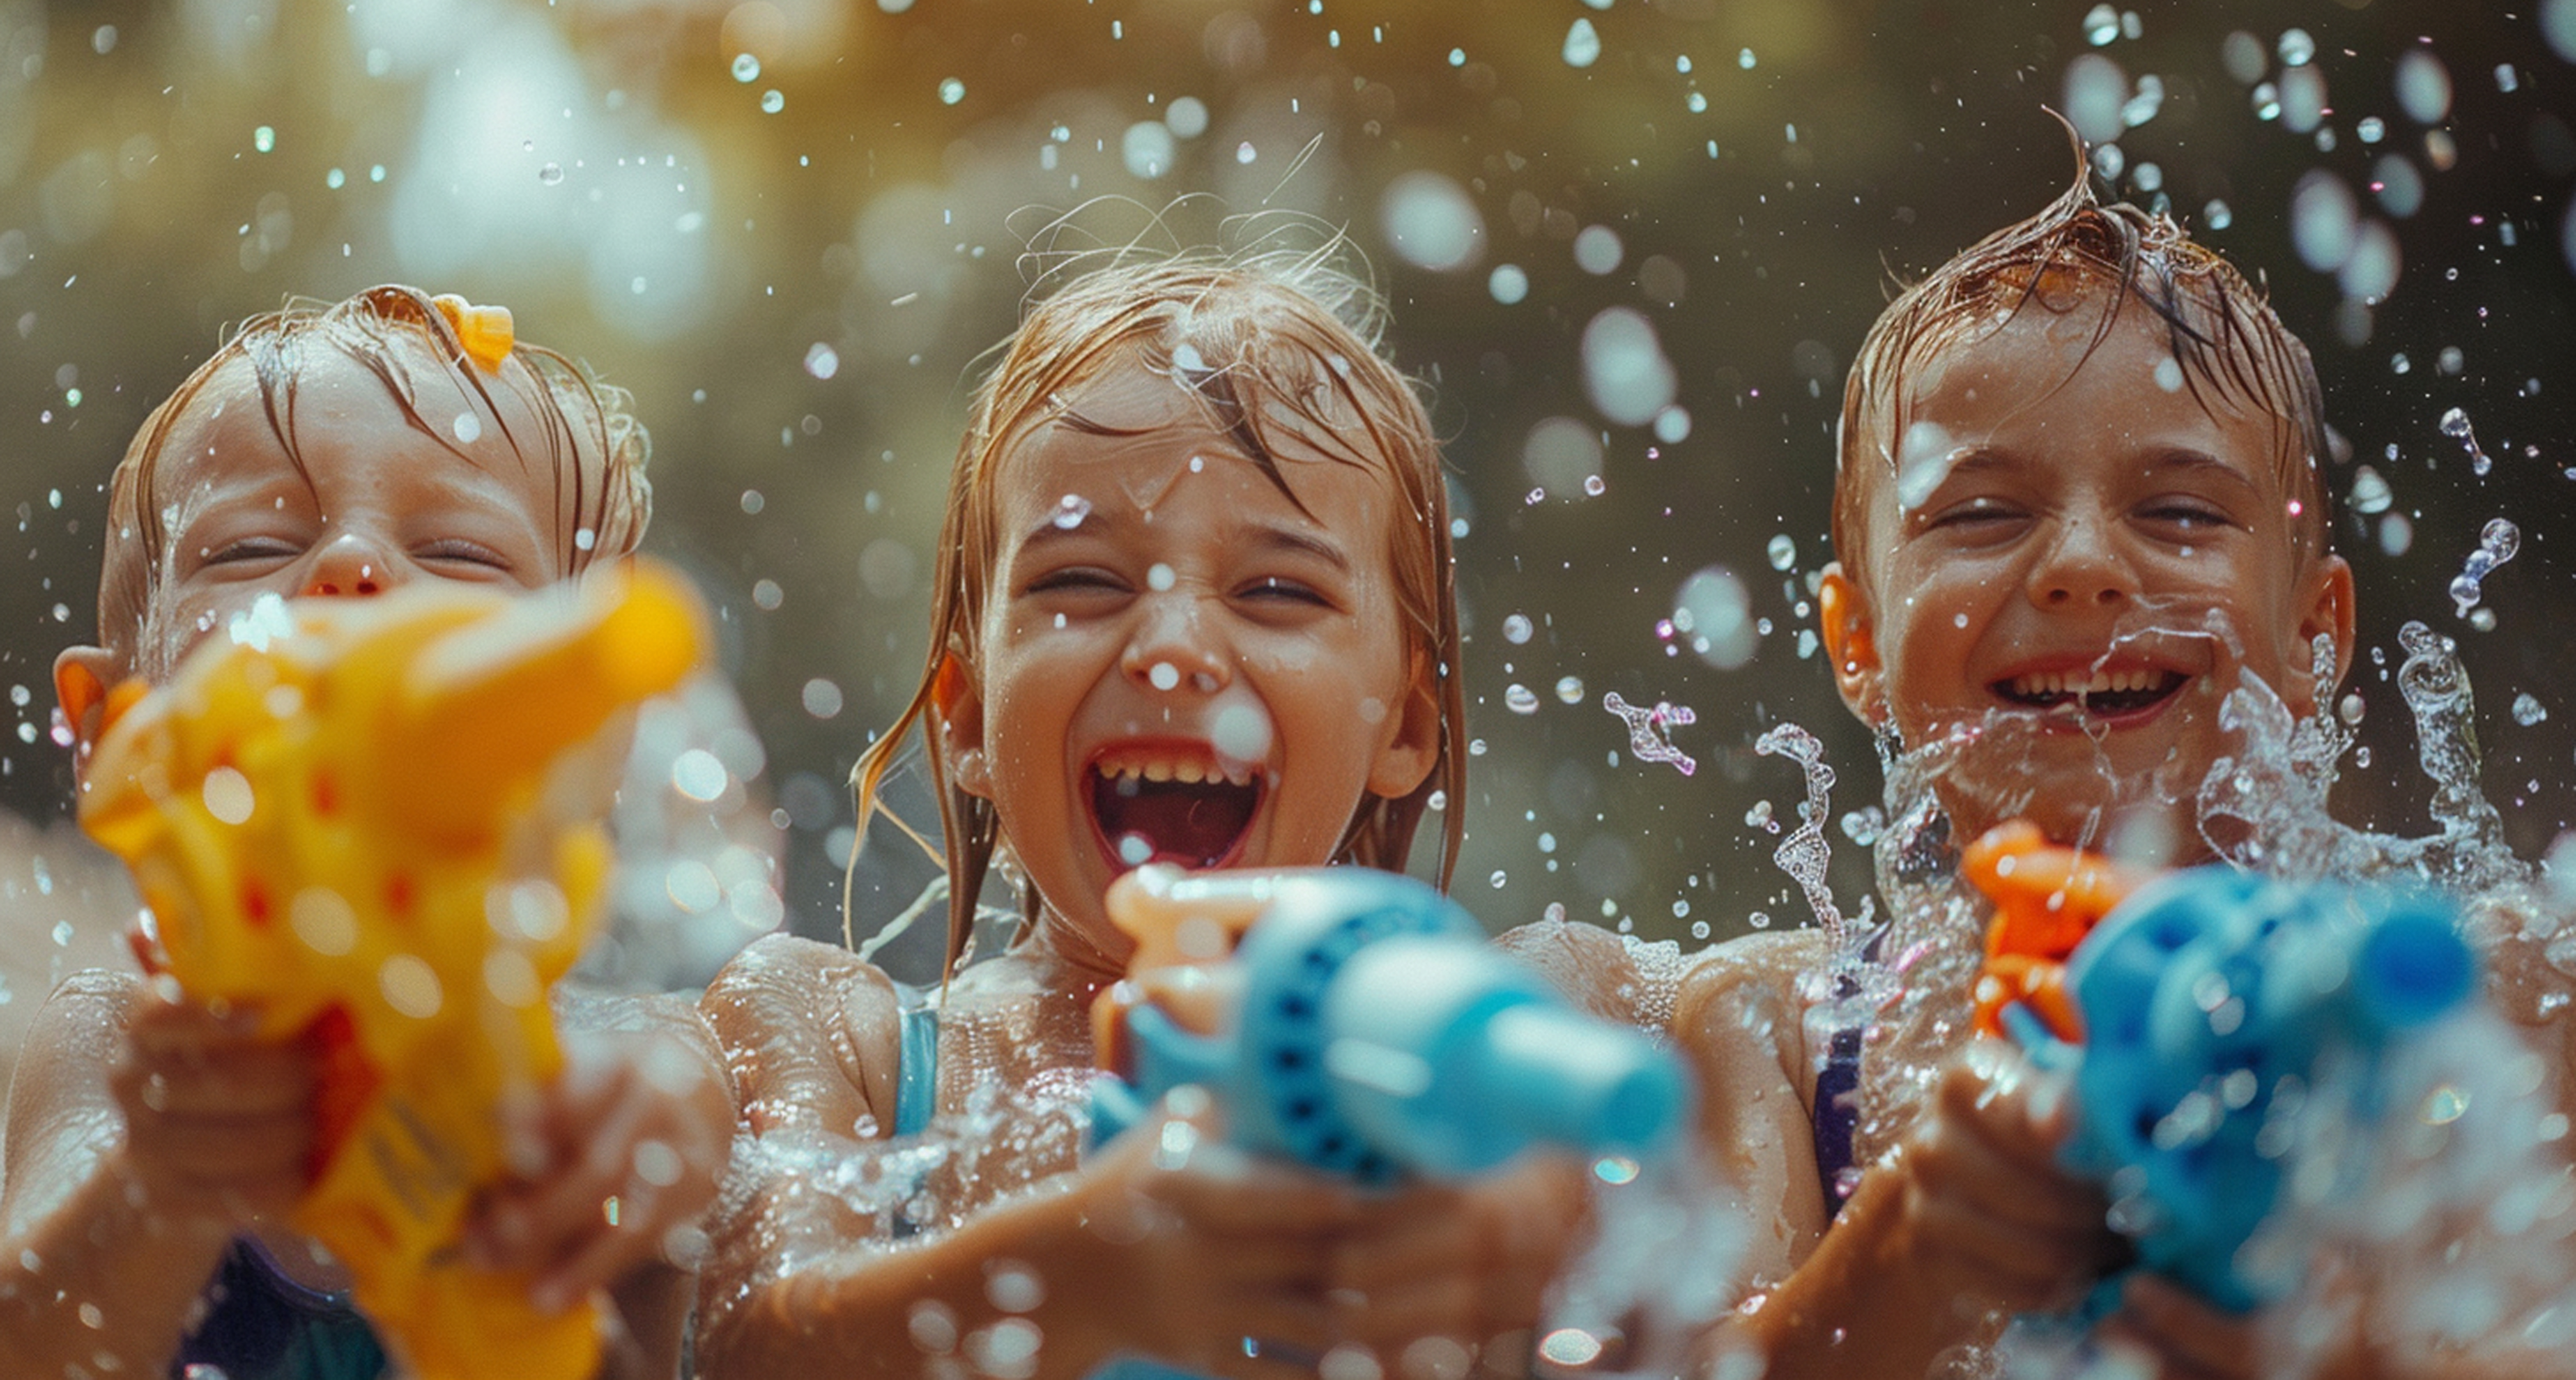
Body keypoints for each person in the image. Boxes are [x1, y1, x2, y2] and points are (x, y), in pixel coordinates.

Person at [1511, 150, 2413, 1377]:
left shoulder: (2454, 1016)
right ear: (1860, 644)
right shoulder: (1776, 1038)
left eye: (2182, 514)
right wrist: (1905, 1256)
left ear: (2316, 634)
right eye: (1981, 514)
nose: (2083, 565)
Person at [694, 246, 1583, 1380]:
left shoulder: (1493, 1048)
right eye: (1081, 583)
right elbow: (744, 1346)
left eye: (1275, 592)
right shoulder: (848, 1047)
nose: (1170, 652)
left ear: (1406, 726)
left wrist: (1534, 1242)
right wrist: (1071, 1272)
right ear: (965, 719)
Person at [0, 285, 736, 1380]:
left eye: (464, 556)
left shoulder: (638, 1054)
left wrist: (635, 1165)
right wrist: (159, 1183)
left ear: (590, 735)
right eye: (250, 547)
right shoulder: (122, 1050)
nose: (354, 568)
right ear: (114, 729)